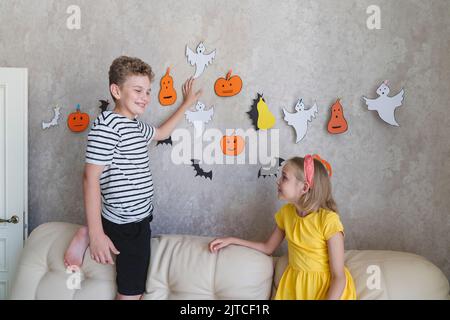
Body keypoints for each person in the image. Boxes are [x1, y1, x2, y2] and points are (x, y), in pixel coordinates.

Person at [64, 56, 202, 300]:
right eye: (138, 90)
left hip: (139, 216)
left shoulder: (136, 126)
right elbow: (90, 178)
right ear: (116, 91)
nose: (145, 97)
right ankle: (91, 232)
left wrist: (186, 104)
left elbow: (160, 133)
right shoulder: (107, 126)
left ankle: (87, 232)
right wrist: (97, 235)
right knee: (131, 294)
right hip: (126, 224)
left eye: (148, 91)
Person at [209, 155, 357, 300]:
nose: (278, 182)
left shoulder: (328, 220)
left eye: (284, 177)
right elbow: (267, 247)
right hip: (296, 285)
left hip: (328, 291)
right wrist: (232, 240)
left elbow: (338, 277)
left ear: (304, 187)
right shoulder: (286, 214)